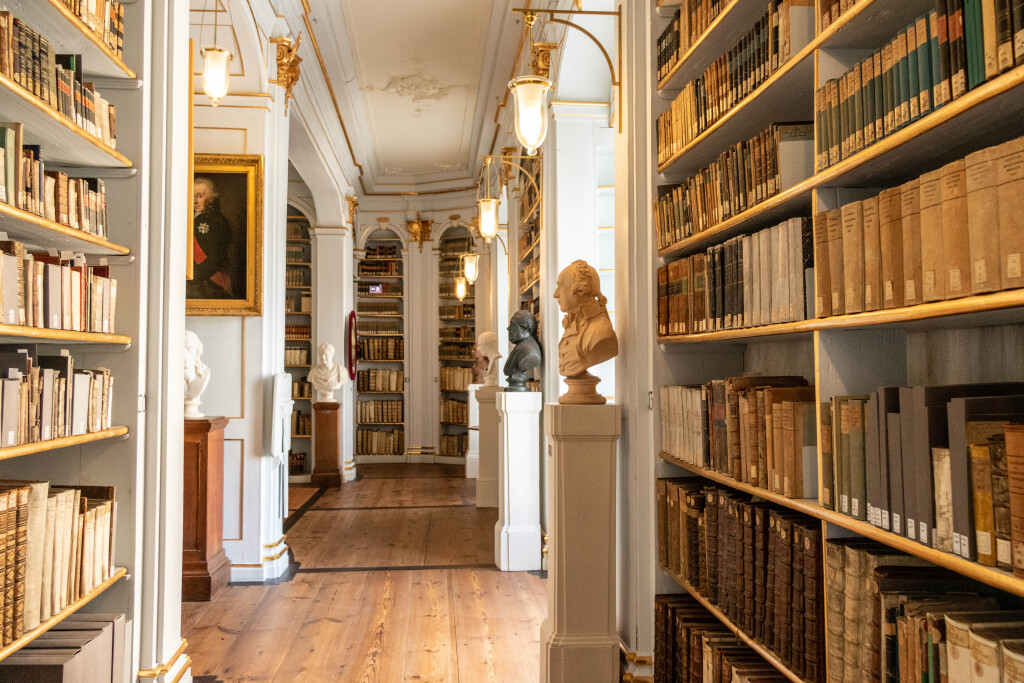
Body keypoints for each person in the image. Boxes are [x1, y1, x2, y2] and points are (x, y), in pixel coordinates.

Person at [554, 260, 618, 378]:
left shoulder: (600, 331)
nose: (555, 294)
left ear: (581, 289)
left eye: (560, 286)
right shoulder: (574, 323)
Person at [188, 177, 233, 299]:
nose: (195, 201)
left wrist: (192, 278)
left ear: (210, 198)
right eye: (193, 196)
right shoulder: (187, 217)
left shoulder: (218, 222)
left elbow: (215, 259)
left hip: (210, 282)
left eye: (200, 196)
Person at [503, 310, 542, 391]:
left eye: (512, 325)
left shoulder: (530, 352)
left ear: (524, 329)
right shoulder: (521, 347)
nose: (508, 328)